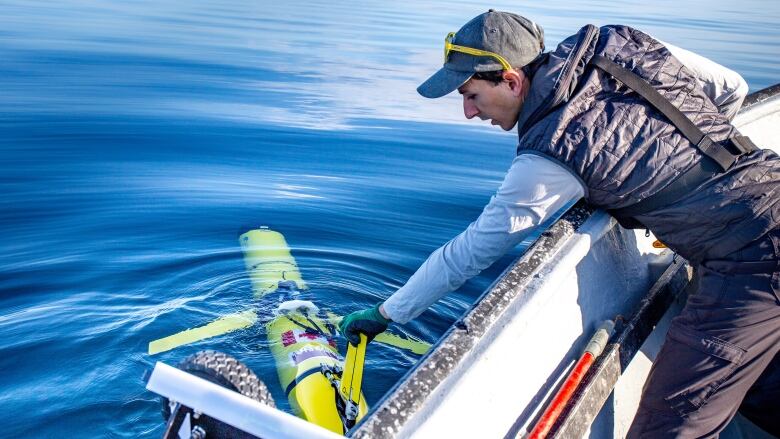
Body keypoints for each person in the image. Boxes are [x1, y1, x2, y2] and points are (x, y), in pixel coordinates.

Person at [339, 10, 780, 437]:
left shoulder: (552, 152)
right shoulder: (619, 40)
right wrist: (675, 166)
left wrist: (386, 313)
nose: (469, 113)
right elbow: (730, 87)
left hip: (752, 262)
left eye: (470, 95)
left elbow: (469, 253)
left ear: (511, 80)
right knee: (763, 392)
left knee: (669, 426)